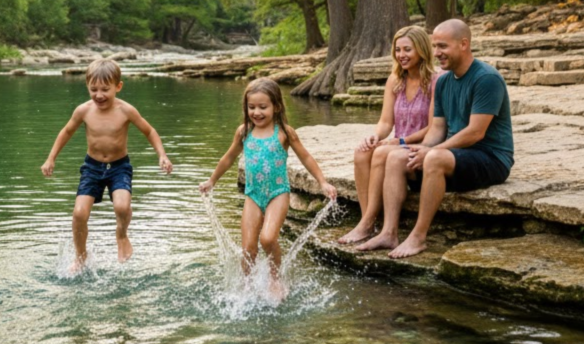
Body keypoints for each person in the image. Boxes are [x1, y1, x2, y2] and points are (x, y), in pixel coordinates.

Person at [357, 19, 514, 258]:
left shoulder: (486, 78)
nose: (436, 53)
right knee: (397, 157)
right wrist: (417, 148)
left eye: (442, 46)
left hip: (490, 157)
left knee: (434, 158)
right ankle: (389, 233)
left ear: (464, 44)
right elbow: (437, 129)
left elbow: (475, 132)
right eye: (434, 46)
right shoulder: (444, 82)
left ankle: (418, 237)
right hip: (457, 155)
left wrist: (430, 152)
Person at [199, 78, 337, 301]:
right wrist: (211, 181)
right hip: (252, 195)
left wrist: (322, 182)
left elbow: (306, 157)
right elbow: (228, 158)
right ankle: (247, 284)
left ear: (277, 106)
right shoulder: (243, 132)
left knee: (268, 238)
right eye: (251, 107)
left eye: (263, 107)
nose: (257, 112)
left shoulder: (284, 132)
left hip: (277, 193)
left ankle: (275, 278)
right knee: (248, 248)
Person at [41, 58, 173, 274]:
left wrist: (162, 155)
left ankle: (121, 235)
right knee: (79, 213)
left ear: (118, 87)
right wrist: (51, 158)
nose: (99, 95)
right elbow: (66, 132)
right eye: (93, 89)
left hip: (119, 167)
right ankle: (80, 257)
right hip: (92, 167)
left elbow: (149, 131)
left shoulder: (126, 110)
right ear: (87, 87)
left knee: (121, 207)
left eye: (105, 89)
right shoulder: (83, 110)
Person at [338, 26, 441, 244]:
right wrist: (375, 136)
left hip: (419, 146)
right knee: (362, 152)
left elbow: (433, 128)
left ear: (422, 50)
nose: (401, 55)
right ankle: (368, 222)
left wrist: (401, 141)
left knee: (382, 153)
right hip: (396, 143)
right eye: (398, 50)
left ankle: (367, 224)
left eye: (407, 50)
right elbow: (386, 122)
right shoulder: (394, 80)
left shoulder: (436, 81)